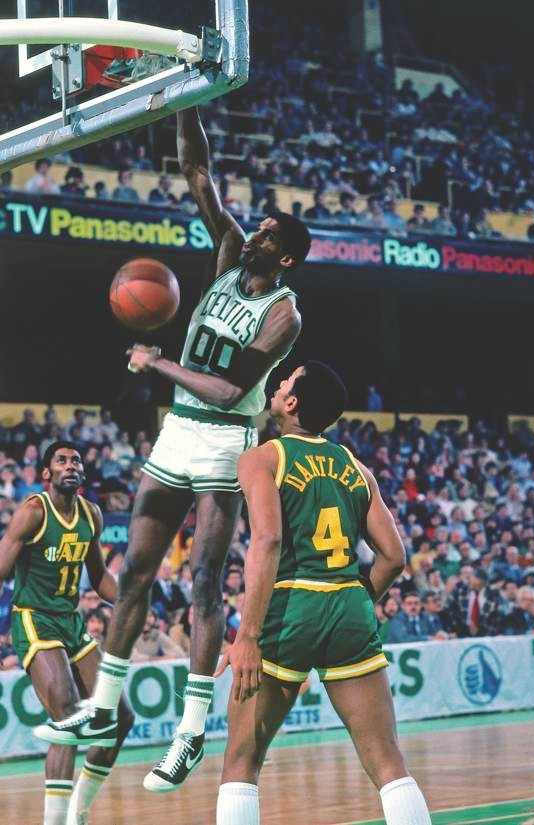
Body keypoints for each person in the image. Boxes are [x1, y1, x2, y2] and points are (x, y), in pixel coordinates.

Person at [40, 106, 311, 795]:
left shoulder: (283, 313)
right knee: (135, 569)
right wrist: (185, 99)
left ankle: (190, 732)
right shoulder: (229, 252)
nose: (255, 232)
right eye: (258, 226)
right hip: (178, 431)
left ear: (283, 257)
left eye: (268, 233)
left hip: (224, 436)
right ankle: (102, 707)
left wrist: (158, 362)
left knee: (203, 581)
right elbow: (198, 171)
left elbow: (230, 390)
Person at [215, 362, 431, 825]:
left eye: (286, 381)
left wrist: (246, 635)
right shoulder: (356, 466)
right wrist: (357, 603)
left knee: (241, 762)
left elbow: (268, 540)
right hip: (349, 602)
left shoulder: (263, 458)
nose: (277, 385)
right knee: (388, 763)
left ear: (292, 402)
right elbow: (394, 557)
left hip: (290, 606)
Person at [0, 442, 133, 825]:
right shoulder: (32, 513)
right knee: (68, 716)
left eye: (75, 460)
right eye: (61, 460)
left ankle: (78, 811)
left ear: (83, 473)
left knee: (120, 717)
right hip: (34, 619)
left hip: (71, 622)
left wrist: (131, 599)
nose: (70, 465)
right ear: (47, 473)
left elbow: (100, 577)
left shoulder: (92, 514)